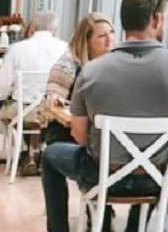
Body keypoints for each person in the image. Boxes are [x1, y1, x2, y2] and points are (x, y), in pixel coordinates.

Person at [35, 0, 168, 232]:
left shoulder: (91, 72)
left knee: (50, 155)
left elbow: (79, 136)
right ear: (156, 20)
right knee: (160, 164)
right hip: (154, 181)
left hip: (100, 175)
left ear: (123, 21)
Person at [0, 10, 67, 174]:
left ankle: (30, 154)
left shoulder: (17, 48)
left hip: (22, 112)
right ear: (55, 29)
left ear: (33, 27)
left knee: (14, 112)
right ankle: (37, 152)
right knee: (43, 117)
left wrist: (1, 98)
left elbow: (3, 86)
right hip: (52, 113)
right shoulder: (64, 48)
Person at [44, 12, 115, 145]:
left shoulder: (116, 64)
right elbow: (52, 103)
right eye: (102, 36)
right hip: (68, 135)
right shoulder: (67, 64)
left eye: (111, 33)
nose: (109, 39)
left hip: (102, 135)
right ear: (87, 41)